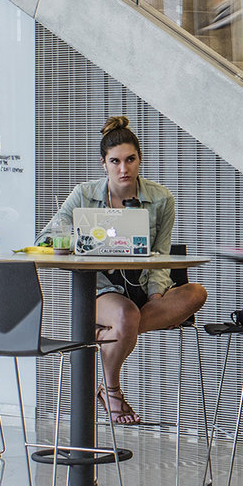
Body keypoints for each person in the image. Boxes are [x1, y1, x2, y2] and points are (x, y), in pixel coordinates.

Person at [38, 117, 209, 424]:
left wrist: (158, 294)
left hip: (144, 290)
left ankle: (108, 335)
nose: (123, 169)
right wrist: (85, 239)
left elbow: (163, 254)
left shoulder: (161, 199)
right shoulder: (84, 194)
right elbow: (44, 240)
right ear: (103, 164)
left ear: (140, 159)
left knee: (197, 293)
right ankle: (112, 389)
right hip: (104, 292)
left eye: (130, 160)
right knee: (126, 315)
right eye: (115, 161)